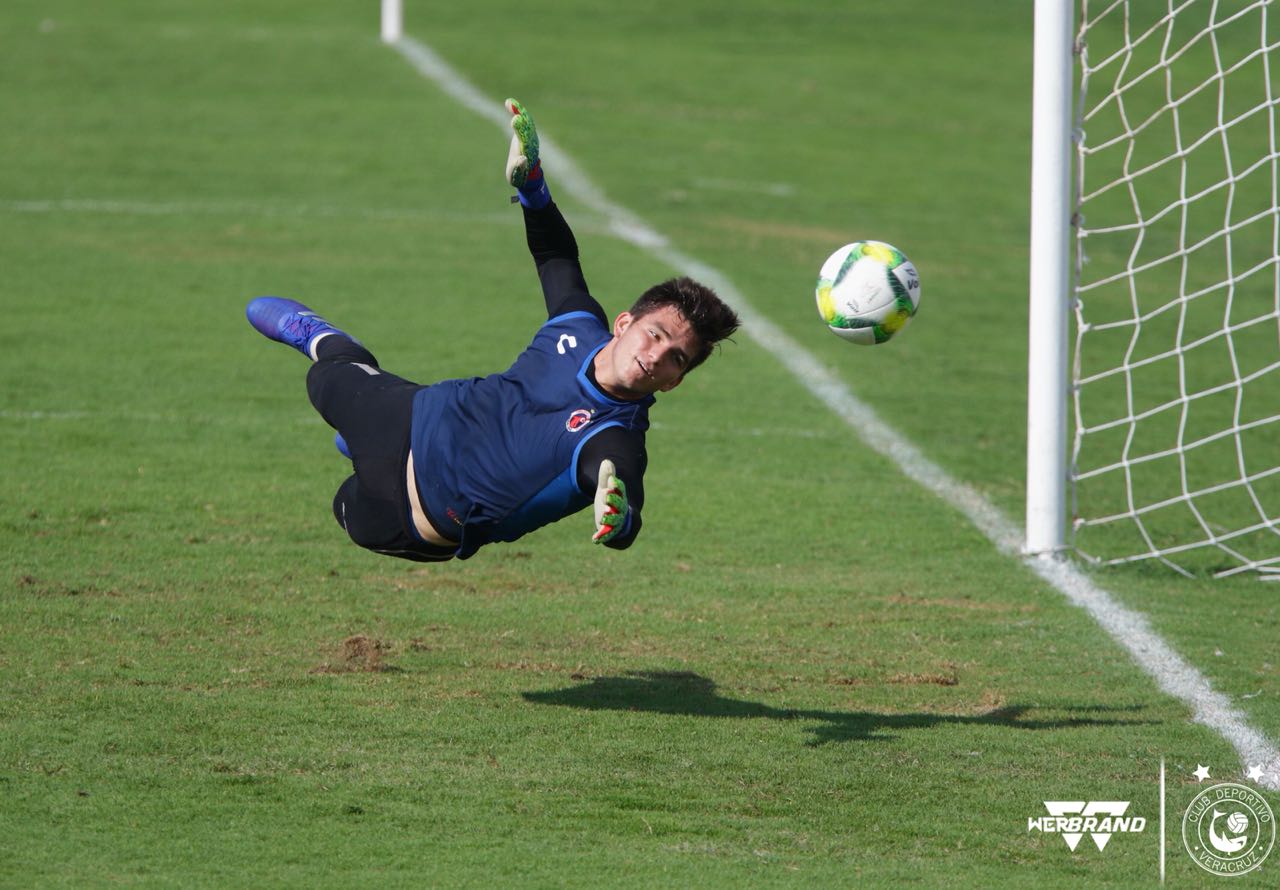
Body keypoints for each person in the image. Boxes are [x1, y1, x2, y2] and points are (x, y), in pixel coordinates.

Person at [246, 99, 740, 563]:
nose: (656, 356)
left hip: (414, 519)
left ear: (674, 382)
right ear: (625, 323)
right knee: (326, 376)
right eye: (656, 335)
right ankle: (323, 338)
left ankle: (357, 444)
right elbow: (556, 256)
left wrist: (619, 517)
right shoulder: (576, 326)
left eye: (676, 358)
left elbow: (621, 490)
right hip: (410, 418)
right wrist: (533, 187)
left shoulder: (615, 439)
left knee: (347, 509)